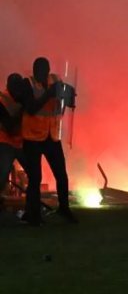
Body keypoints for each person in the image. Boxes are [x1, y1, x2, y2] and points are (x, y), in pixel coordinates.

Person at [20, 57, 77, 225]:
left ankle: (64, 209)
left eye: (45, 71)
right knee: (35, 178)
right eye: (39, 71)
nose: (43, 74)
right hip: (32, 138)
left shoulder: (56, 80)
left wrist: (70, 96)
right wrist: (48, 94)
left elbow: (68, 94)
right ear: (34, 70)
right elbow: (30, 108)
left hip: (51, 136)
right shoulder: (27, 84)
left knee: (61, 175)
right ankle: (34, 215)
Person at [0, 74, 25, 210]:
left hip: (20, 142)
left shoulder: (23, 98)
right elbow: (10, 127)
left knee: (34, 173)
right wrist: (23, 110)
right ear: (9, 86)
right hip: (5, 141)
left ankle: (32, 204)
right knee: (2, 173)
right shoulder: (2, 100)